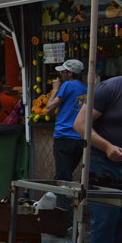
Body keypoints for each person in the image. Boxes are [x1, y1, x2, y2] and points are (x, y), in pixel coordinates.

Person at [74, 64, 122, 243]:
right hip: (102, 163)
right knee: (106, 219)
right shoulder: (111, 88)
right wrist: (107, 147)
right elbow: (80, 124)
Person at [45, 60, 86, 227]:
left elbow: (48, 108)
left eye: (62, 72)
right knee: (65, 176)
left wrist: (55, 89)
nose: (60, 75)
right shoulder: (86, 89)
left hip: (64, 137)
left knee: (63, 180)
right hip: (79, 139)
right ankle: (56, 213)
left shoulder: (67, 86)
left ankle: (66, 221)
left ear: (70, 73)